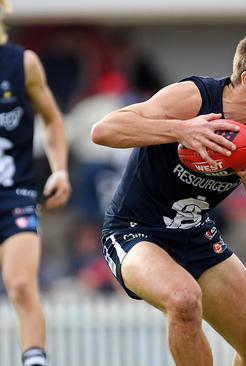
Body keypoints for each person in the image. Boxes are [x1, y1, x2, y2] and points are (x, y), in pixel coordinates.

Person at [91, 27, 246, 366]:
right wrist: (182, 129)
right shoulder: (194, 97)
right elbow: (103, 131)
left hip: (194, 234)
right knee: (183, 299)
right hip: (135, 231)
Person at [0, 1, 72, 366]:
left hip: (14, 195)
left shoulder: (21, 63)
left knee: (21, 284)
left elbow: (53, 121)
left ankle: (35, 361)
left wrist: (59, 169)